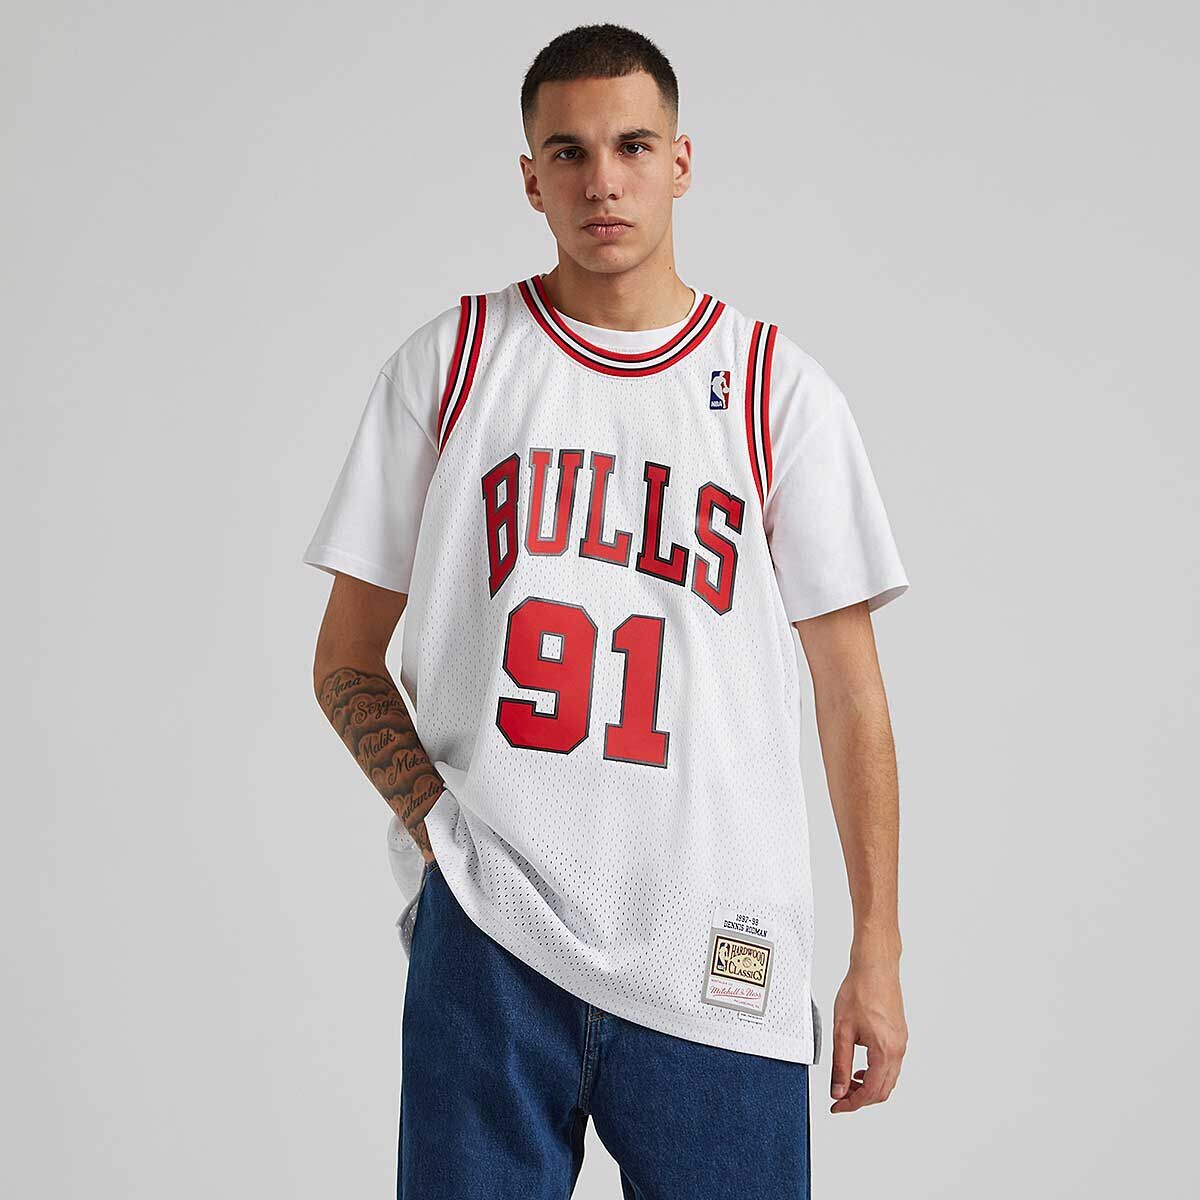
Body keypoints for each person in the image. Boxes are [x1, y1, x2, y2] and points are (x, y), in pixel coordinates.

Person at [303, 22, 909, 1199]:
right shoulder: (453, 365)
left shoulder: (775, 390)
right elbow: (344, 659)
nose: (603, 182)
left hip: (717, 946)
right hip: (492, 940)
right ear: (531, 178)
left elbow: (852, 697)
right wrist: (442, 832)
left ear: (681, 161)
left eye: (632, 146)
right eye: (568, 153)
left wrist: (875, 948)